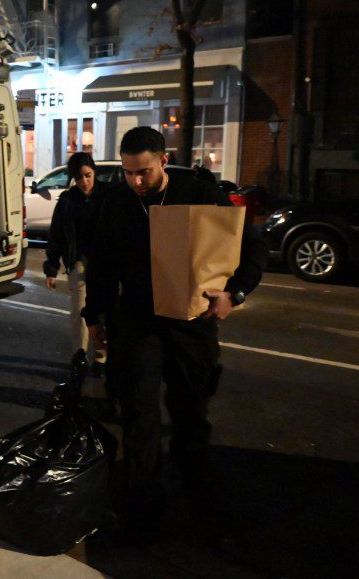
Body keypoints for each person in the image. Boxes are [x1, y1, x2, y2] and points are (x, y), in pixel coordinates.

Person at [82, 126, 267, 540]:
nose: (136, 181)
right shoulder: (115, 202)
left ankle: (199, 495)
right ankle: (144, 510)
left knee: (190, 413)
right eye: (128, 173)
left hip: (191, 325)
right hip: (137, 324)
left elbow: (251, 248)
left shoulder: (199, 193)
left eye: (143, 172)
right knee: (139, 417)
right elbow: (101, 265)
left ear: (163, 161)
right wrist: (94, 316)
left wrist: (233, 295)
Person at [43, 152, 106, 359]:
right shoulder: (68, 200)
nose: (84, 181)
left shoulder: (108, 195)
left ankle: (101, 356)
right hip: (78, 261)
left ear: (94, 171)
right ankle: (79, 358)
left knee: (104, 312)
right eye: (79, 178)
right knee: (79, 312)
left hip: (105, 262)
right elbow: (56, 235)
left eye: (88, 175)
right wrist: (51, 268)